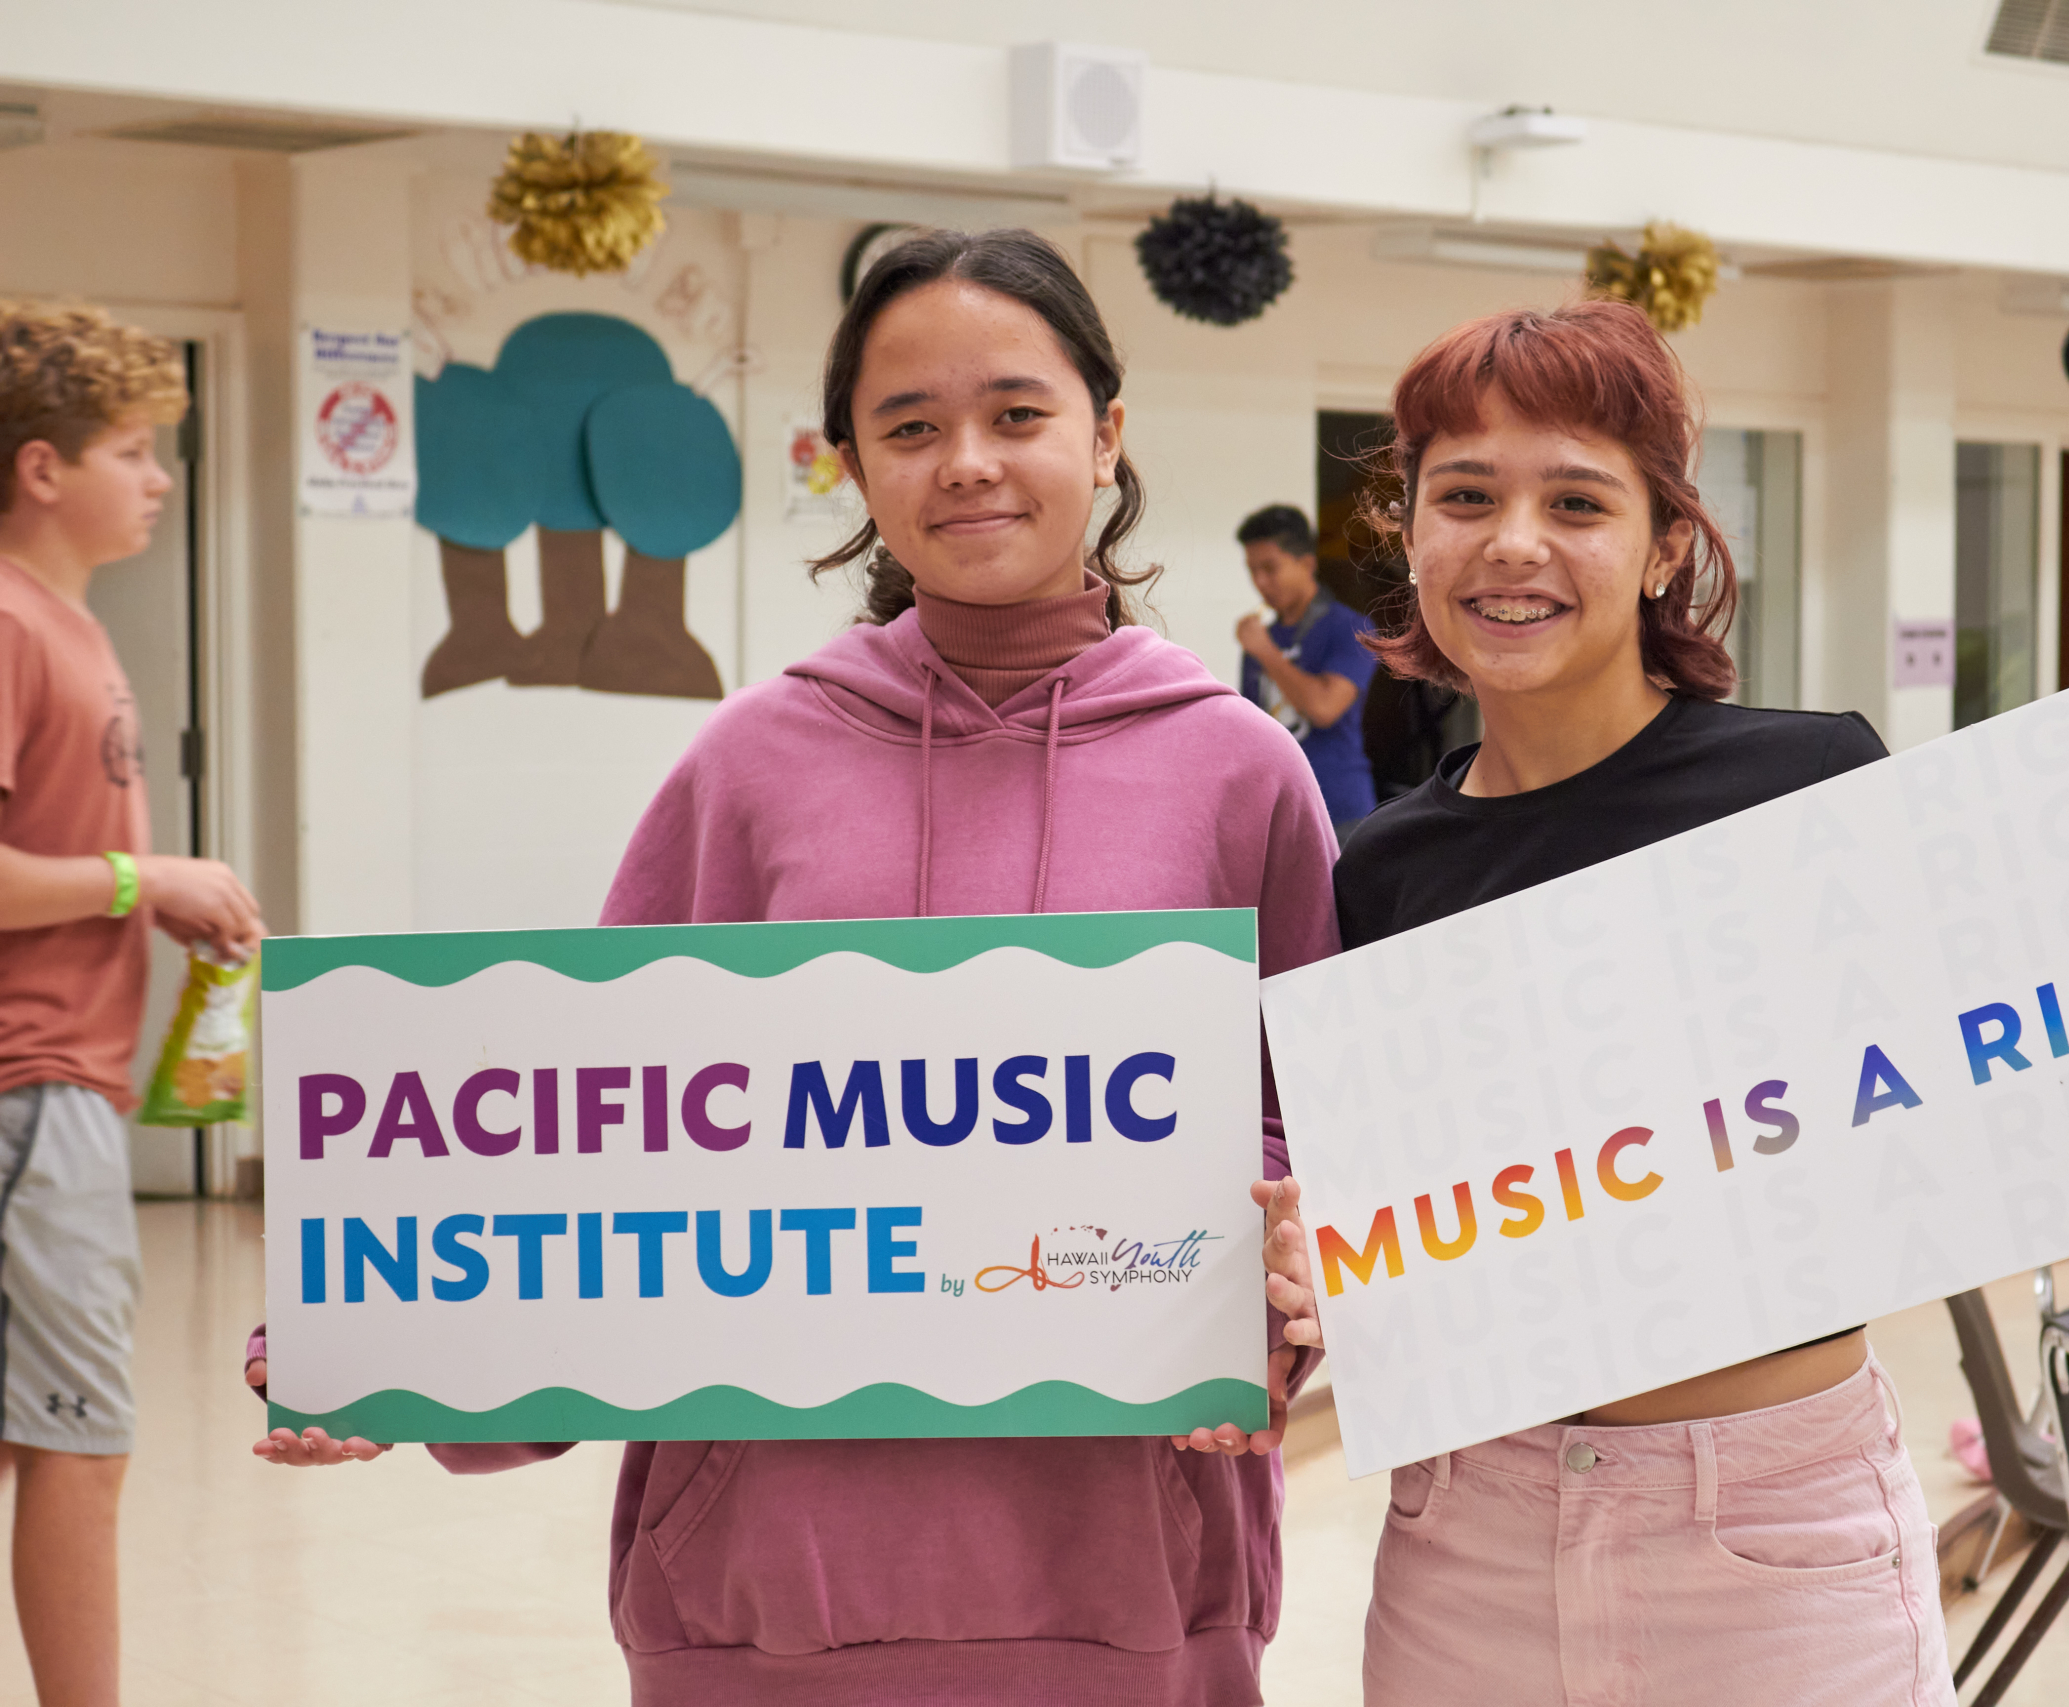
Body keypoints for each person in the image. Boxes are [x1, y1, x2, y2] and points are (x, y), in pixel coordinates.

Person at [1232, 299, 2069, 1704]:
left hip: (1771, 1536)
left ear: (1664, 542)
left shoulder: (1810, 788)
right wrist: (1318, 1270)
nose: (1513, 542)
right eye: (1464, 496)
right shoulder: (1383, 870)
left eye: (1576, 500)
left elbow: (2032, 1040)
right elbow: (1412, 1231)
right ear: (1407, 530)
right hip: (1467, 1541)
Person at [250, 231, 1338, 1705]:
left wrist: (1274, 1293)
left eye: (1017, 413)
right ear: (851, 463)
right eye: (910, 426)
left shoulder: (1240, 770)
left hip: (1127, 1573)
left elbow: (1315, 1143)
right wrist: (391, 1335)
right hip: (769, 1583)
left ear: (1109, 431)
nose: (967, 461)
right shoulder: (752, 763)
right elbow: (591, 1127)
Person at [1, 300, 261, 1707]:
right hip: (31, 1093)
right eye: (131, 447)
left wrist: (142, 894)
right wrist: (134, 872)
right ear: (43, 468)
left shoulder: (70, 627)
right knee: (81, 1442)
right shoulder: (5, 619)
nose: (158, 476)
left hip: (62, 1088)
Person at [1235, 502, 1379, 830]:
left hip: (1339, 809)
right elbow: (1252, 729)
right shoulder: (1261, 638)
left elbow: (1325, 708)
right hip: (1276, 810)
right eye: (1252, 570)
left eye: (1270, 568)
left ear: (1307, 563)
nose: (1260, 582)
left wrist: (1267, 653)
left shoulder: (1351, 628)